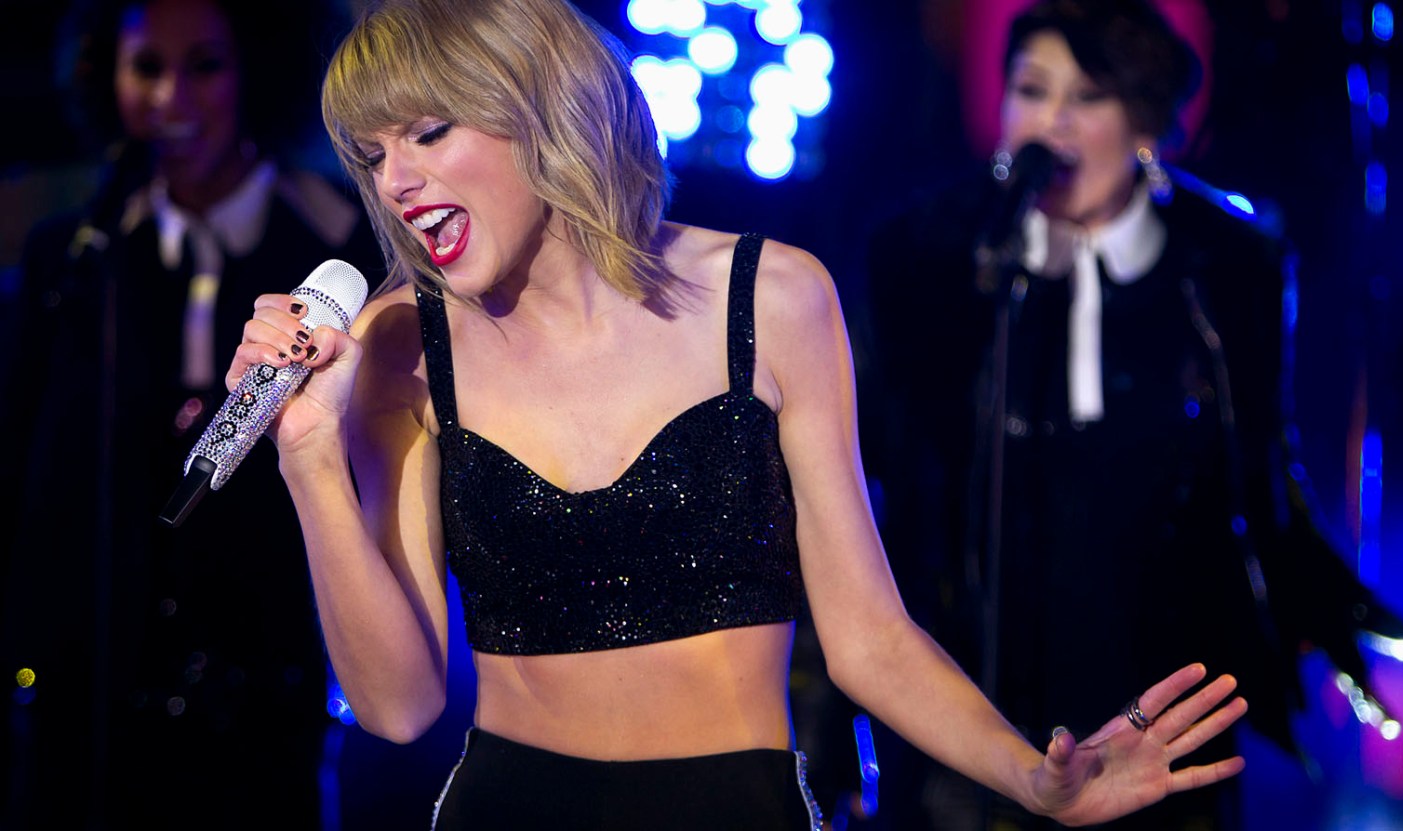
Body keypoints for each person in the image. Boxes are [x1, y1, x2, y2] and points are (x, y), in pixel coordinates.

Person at [218, 0, 1252, 827]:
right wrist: (308, 459)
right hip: (507, 804)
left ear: (542, 106)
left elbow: (869, 641)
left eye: (430, 134)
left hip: (735, 805)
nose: (396, 183)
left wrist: (1034, 780)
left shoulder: (774, 297)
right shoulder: (401, 346)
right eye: (373, 154)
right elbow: (398, 707)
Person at [863, 1, 1403, 829]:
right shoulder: (934, 256)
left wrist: (1319, 597)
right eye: (1030, 90)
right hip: (977, 684)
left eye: (1088, 98)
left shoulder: (1232, 263)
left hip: (1160, 682)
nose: (1051, 122)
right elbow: (883, 477)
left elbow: (1262, 467)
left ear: (1146, 124)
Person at [0, 0, 380, 827]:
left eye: (203, 65)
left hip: (271, 673)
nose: (172, 95)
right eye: (146, 67)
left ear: (252, 71)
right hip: (91, 681)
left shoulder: (341, 245)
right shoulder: (74, 254)